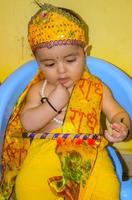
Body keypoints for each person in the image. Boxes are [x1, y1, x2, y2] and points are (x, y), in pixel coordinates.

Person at [0, 2, 130, 200]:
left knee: (107, 189)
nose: (61, 70)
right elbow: (27, 123)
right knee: (26, 187)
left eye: (70, 61)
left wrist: (121, 127)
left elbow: (118, 113)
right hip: (44, 153)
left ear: (85, 53)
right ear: (38, 63)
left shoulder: (96, 88)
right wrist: (52, 104)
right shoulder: (39, 90)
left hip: (89, 154)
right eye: (50, 64)